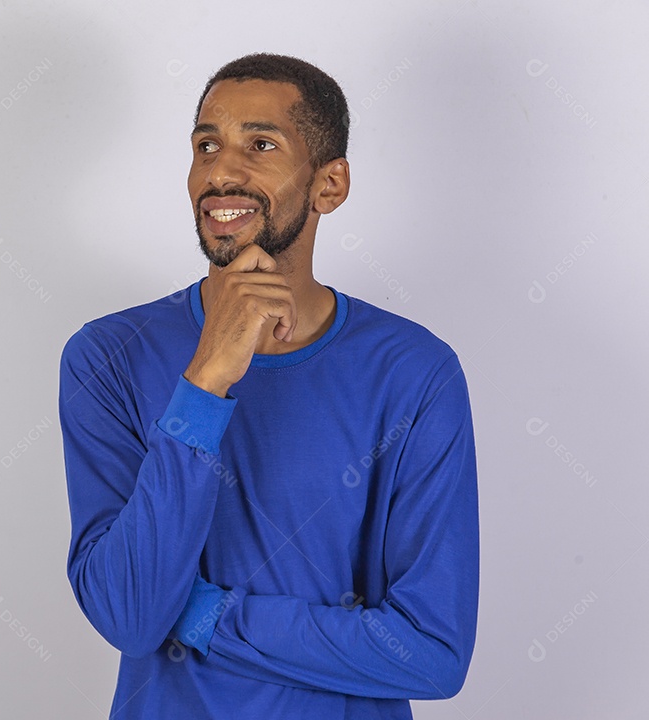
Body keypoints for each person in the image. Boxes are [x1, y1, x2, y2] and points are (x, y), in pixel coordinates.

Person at [58, 53, 478, 719]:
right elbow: (132, 617)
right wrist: (206, 380)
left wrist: (200, 616)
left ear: (329, 185)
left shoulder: (413, 372)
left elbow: (431, 651)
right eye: (206, 145)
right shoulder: (108, 356)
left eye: (261, 144)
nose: (222, 171)